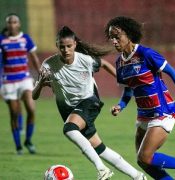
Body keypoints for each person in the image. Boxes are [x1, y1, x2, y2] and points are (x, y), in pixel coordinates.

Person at [32, 26, 147, 180]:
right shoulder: (48, 65)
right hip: (70, 111)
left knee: (69, 129)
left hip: (89, 101)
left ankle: (102, 170)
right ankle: (138, 176)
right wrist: (40, 84)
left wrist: (123, 81)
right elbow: (34, 95)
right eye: (62, 47)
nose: (66, 50)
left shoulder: (85, 60)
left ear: (75, 45)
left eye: (69, 46)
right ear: (57, 46)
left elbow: (104, 64)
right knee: (100, 148)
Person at [105, 16, 175, 180]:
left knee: (145, 156)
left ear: (129, 35)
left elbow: (171, 72)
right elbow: (128, 91)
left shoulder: (146, 54)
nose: (113, 41)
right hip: (143, 115)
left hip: (162, 111)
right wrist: (120, 105)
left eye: (117, 36)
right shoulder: (120, 63)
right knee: (143, 162)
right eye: (111, 37)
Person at [0, 13, 40, 155]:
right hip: (8, 82)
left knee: (31, 109)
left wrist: (41, 73)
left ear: (19, 24)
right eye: (10, 22)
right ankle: (18, 147)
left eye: (15, 22)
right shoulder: (2, 40)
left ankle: (28, 140)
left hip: (24, 79)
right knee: (14, 114)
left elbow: (34, 58)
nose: (12, 24)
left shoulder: (26, 38)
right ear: (7, 24)